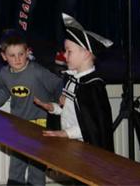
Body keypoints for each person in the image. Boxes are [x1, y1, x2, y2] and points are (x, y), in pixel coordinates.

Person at [0, 32, 63, 185]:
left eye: (21, 54)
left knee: (36, 163)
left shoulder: (37, 72)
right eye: (12, 55)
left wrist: (57, 107)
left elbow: (57, 85)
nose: (17, 59)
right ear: (4, 56)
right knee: (17, 161)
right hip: (18, 123)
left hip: (39, 124)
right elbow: (3, 92)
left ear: (28, 52)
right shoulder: (4, 74)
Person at [34, 15, 114, 152]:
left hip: (86, 151)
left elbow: (92, 126)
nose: (64, 55)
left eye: (69, 51)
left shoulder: (93, 87)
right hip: (69, 146)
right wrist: (53, 108)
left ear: (86, 54)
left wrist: (66, 133)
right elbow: (72, 112)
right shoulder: (72, 80)